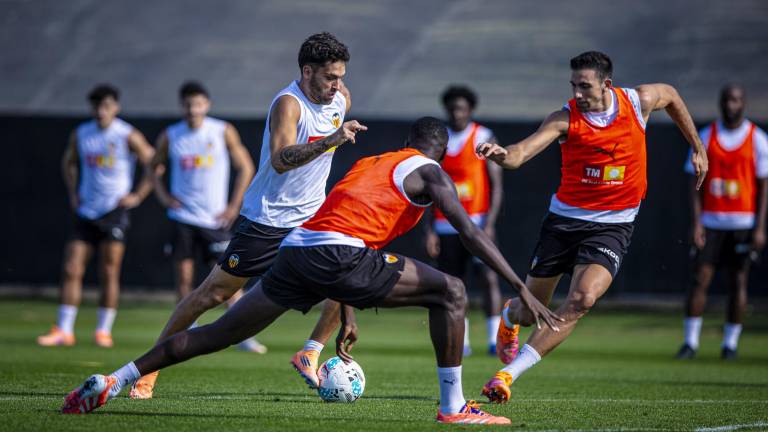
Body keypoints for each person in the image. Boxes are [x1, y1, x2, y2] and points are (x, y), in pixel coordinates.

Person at [61, 117, 562, 424]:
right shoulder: (430, 172)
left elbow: (344, 238)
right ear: (439, 151)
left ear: (408, 140)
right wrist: (522, 285)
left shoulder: (373, 163)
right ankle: (454, 407)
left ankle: (115, 379)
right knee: (451, 290)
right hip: (333, 254)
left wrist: (346, 317)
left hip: (298, 250)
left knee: (217, 332)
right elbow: (470, 234)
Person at [128, 32, 362, 399]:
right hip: (267, 221)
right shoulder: (289, 104)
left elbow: (336, 109)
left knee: (351, 277)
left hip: (312, 219)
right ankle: (149, 370)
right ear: (307, 71)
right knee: (211, 295)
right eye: (330, 76)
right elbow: (281, 161)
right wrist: (333, 139)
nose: (338, 84)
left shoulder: (341, 99)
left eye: (341, 76)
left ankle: (310, 353)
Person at [476, 51, 708, 403]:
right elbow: (520, 153)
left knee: (582, 298)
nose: (577, 93)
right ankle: (511, 314)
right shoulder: (564, 119)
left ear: (607, 85)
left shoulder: (638, 102)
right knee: (530, 309)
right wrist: (501, 154)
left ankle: (506, 375)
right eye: (573, 85)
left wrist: (698, 146)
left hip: (613, 226)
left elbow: (672, 94)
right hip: (564, 223)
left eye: (584, 86)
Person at [151, 80, 266, 353]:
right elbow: (153, 167)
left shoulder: (222, 131)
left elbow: (246, 166)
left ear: (207, 105)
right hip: (183, 219)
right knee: (184, 280)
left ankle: (242, 336)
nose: (193, 110)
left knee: (230, 283)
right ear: (183, 106)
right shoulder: (171, 135)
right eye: (189, 105)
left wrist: (233, 205)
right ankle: (184, 334)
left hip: (215, 220)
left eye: (198, 104)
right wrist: (165, 198)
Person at [37, 84, 155, 348]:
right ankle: (64, 330)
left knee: (109, 271)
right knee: (71, 268)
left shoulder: (126, 134)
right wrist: (73, 192)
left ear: (116, 108)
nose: (101, 112)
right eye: (96, 107)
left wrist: (137, 196)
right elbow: (68, 162)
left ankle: (103, 330)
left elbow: (153, 162)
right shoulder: (82, 134)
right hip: (87, 210)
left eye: (106, 106)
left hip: (114, 212)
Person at [676, 84, 767, 361]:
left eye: (737, 100)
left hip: (742, 223)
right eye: (727, 99)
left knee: (738, 282)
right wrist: (697, 223)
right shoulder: (706, 136)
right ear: (720, 102)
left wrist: (760, 228)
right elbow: (694, 184)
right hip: (711, 222)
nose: (731, 105)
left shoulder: (757, 138)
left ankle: (730, 345)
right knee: (699, 280)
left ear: (744, 103)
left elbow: (764, 187)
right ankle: (690, 342)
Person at [425, 85, 504, 357]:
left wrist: (490, 223)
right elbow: (426, 187)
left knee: (488, 278)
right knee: (453, 284)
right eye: (452, 108)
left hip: (478, 224)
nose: (457, 113)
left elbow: (496, 185)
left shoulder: (483, 136)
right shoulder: (439, 140)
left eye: (462, 108)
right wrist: (429, 230)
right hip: (445, 225)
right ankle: (462, 341)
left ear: (470, 110)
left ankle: (495, 341)